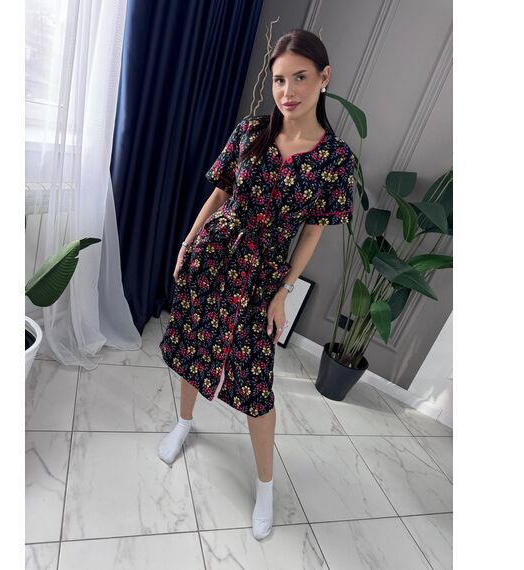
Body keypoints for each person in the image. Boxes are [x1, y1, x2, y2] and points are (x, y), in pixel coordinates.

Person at [158, 28, 355, 540]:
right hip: (213, 256)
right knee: (192, 343)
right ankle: (184, 422)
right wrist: (188, 242)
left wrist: (283, 291)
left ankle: (266, 485)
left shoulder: (335, 160)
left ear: (324, 78)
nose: (288, 91)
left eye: (300, 78)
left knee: (255, 385)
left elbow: (312, 231)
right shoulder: (250, 132)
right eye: (279, 80)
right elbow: (221, 194)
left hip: (262, 276)